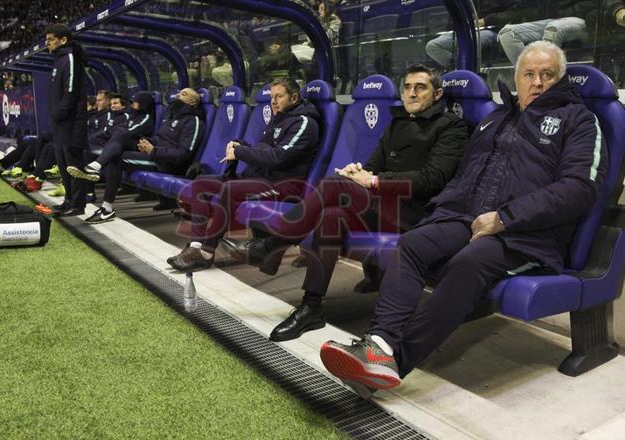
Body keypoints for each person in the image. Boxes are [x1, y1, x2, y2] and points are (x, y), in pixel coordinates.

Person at [318, 41, 607, 396]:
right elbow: (463, 177)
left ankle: (393, 362)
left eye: (547, 75)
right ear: (515, 78)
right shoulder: (495, 119)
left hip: (525, 237)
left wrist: (504, 218)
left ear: (559, 79)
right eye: (528, 74)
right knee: (411, 244)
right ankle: (378, 342)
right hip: (465, 218)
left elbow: (579, 189)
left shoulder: (578, 120)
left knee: (468, 262)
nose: (537, 82)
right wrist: (440, 216)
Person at [232, 64, 469, 342]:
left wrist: (376, 182)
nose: (412, 93)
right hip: (378, 206)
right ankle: (311, 307)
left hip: (410, 213)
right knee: (331, 214)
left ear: (437, 93)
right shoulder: (397, 122)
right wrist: (357, 172)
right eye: (407, 87)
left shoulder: (452, 127)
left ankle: (275, 241)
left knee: (333, 185)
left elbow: (433, 179)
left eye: (420, 87)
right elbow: (372, 165)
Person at [167, 77, 321, 272]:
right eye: (272, 97)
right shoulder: (280, 118)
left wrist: (240, 152)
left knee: (230, 189)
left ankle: (206, 253)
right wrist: (241, 145)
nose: (273, 101)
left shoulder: (305, 123)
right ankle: (196, 245)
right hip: (260, 178)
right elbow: (264, 149)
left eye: (279, 96)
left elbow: (278, 157)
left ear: (294, 97)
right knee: (200, 184)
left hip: (282, 185)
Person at [78, 88, 205, 224]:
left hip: (165, 164)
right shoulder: (171, 118)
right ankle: (98, 166)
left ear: (192, 102)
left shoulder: (194, 121)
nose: (178, 96)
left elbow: (183, 154)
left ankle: (106, 208)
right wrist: (147, 143)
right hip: (155, 154)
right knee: (122, 134)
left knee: (116, 158)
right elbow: (161, 139)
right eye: (179, 93)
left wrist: (153, 150)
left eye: (183, 94)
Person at [65, 90, 157, 222]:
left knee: (119, 137)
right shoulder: (129, 115)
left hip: (139, 148)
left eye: (135, 102)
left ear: (143, 104)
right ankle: (106, 208)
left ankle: (96, 167)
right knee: (113, 157)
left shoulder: (146, 118)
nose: (132, 105)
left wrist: (117, 132)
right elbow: (116, 129)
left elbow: (130, 132)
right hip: (122, 146)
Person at [45, 23, 89, 217]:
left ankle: (78, 204)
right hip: (61, 123)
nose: (48, 43)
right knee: (63, 164)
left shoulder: (70, 58)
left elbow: (70, 91)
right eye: (47, 40)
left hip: (72, 122)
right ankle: (69, 200)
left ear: (63, 40)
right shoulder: (59, 60)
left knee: (73, 164)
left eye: (51, 39)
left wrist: (59, 114)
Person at [497, 1, 595, 65]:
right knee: (507, 33)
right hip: (550, 19)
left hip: (580, 18)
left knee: (553, 29)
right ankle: (528, 76)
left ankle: (545, 80)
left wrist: (569, 11)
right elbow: (524, 8)